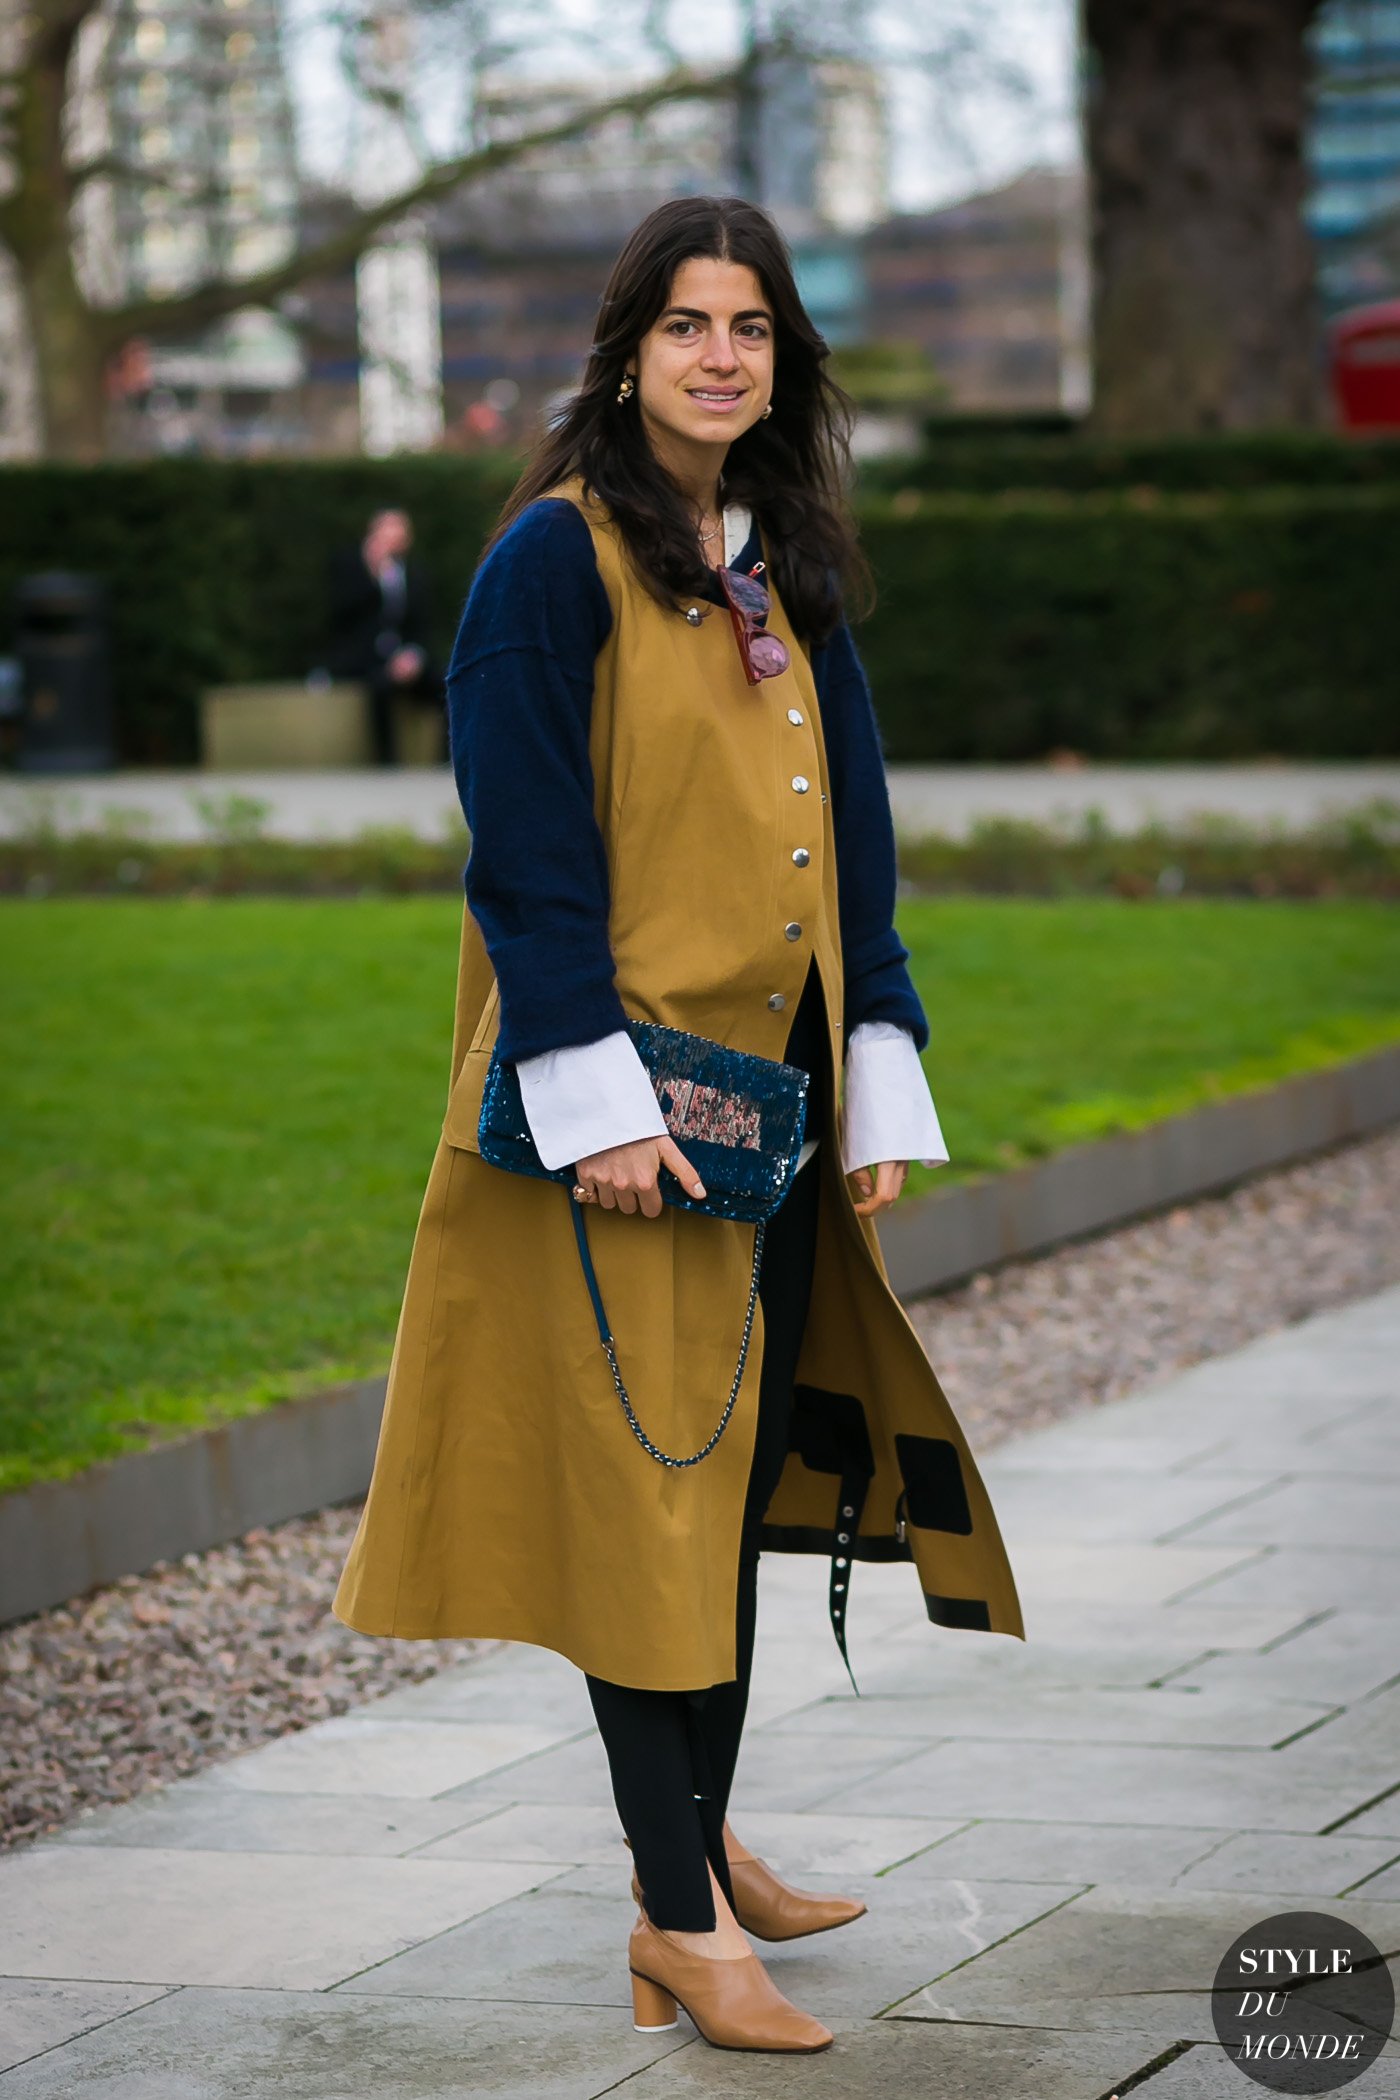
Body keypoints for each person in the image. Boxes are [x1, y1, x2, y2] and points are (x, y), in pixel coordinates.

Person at [332, 195, 1024, 2054]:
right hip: (632, 1120)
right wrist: (594, 1105)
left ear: (782, 362)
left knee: (725, 1483)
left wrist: (881, 1054)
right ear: (625, 347)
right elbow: (526, 853)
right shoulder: (550, 568)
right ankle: (676, 1918)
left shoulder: (774, 554)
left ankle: (702, 1854)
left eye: (753, 327)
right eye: (687, 321)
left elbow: (851, 825)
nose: (722, 353)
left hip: (781, 1112)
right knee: (654, 1491)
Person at [326, 507, 443, 764]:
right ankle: (387, 762)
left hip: (405, 657)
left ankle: (446, 759)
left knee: (443, 685)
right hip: (367, 658)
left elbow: (421, 626)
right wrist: (373, 575)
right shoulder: (351, 568)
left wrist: (414, 656)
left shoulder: (415, 574)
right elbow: (343, 616)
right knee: (379, 688)